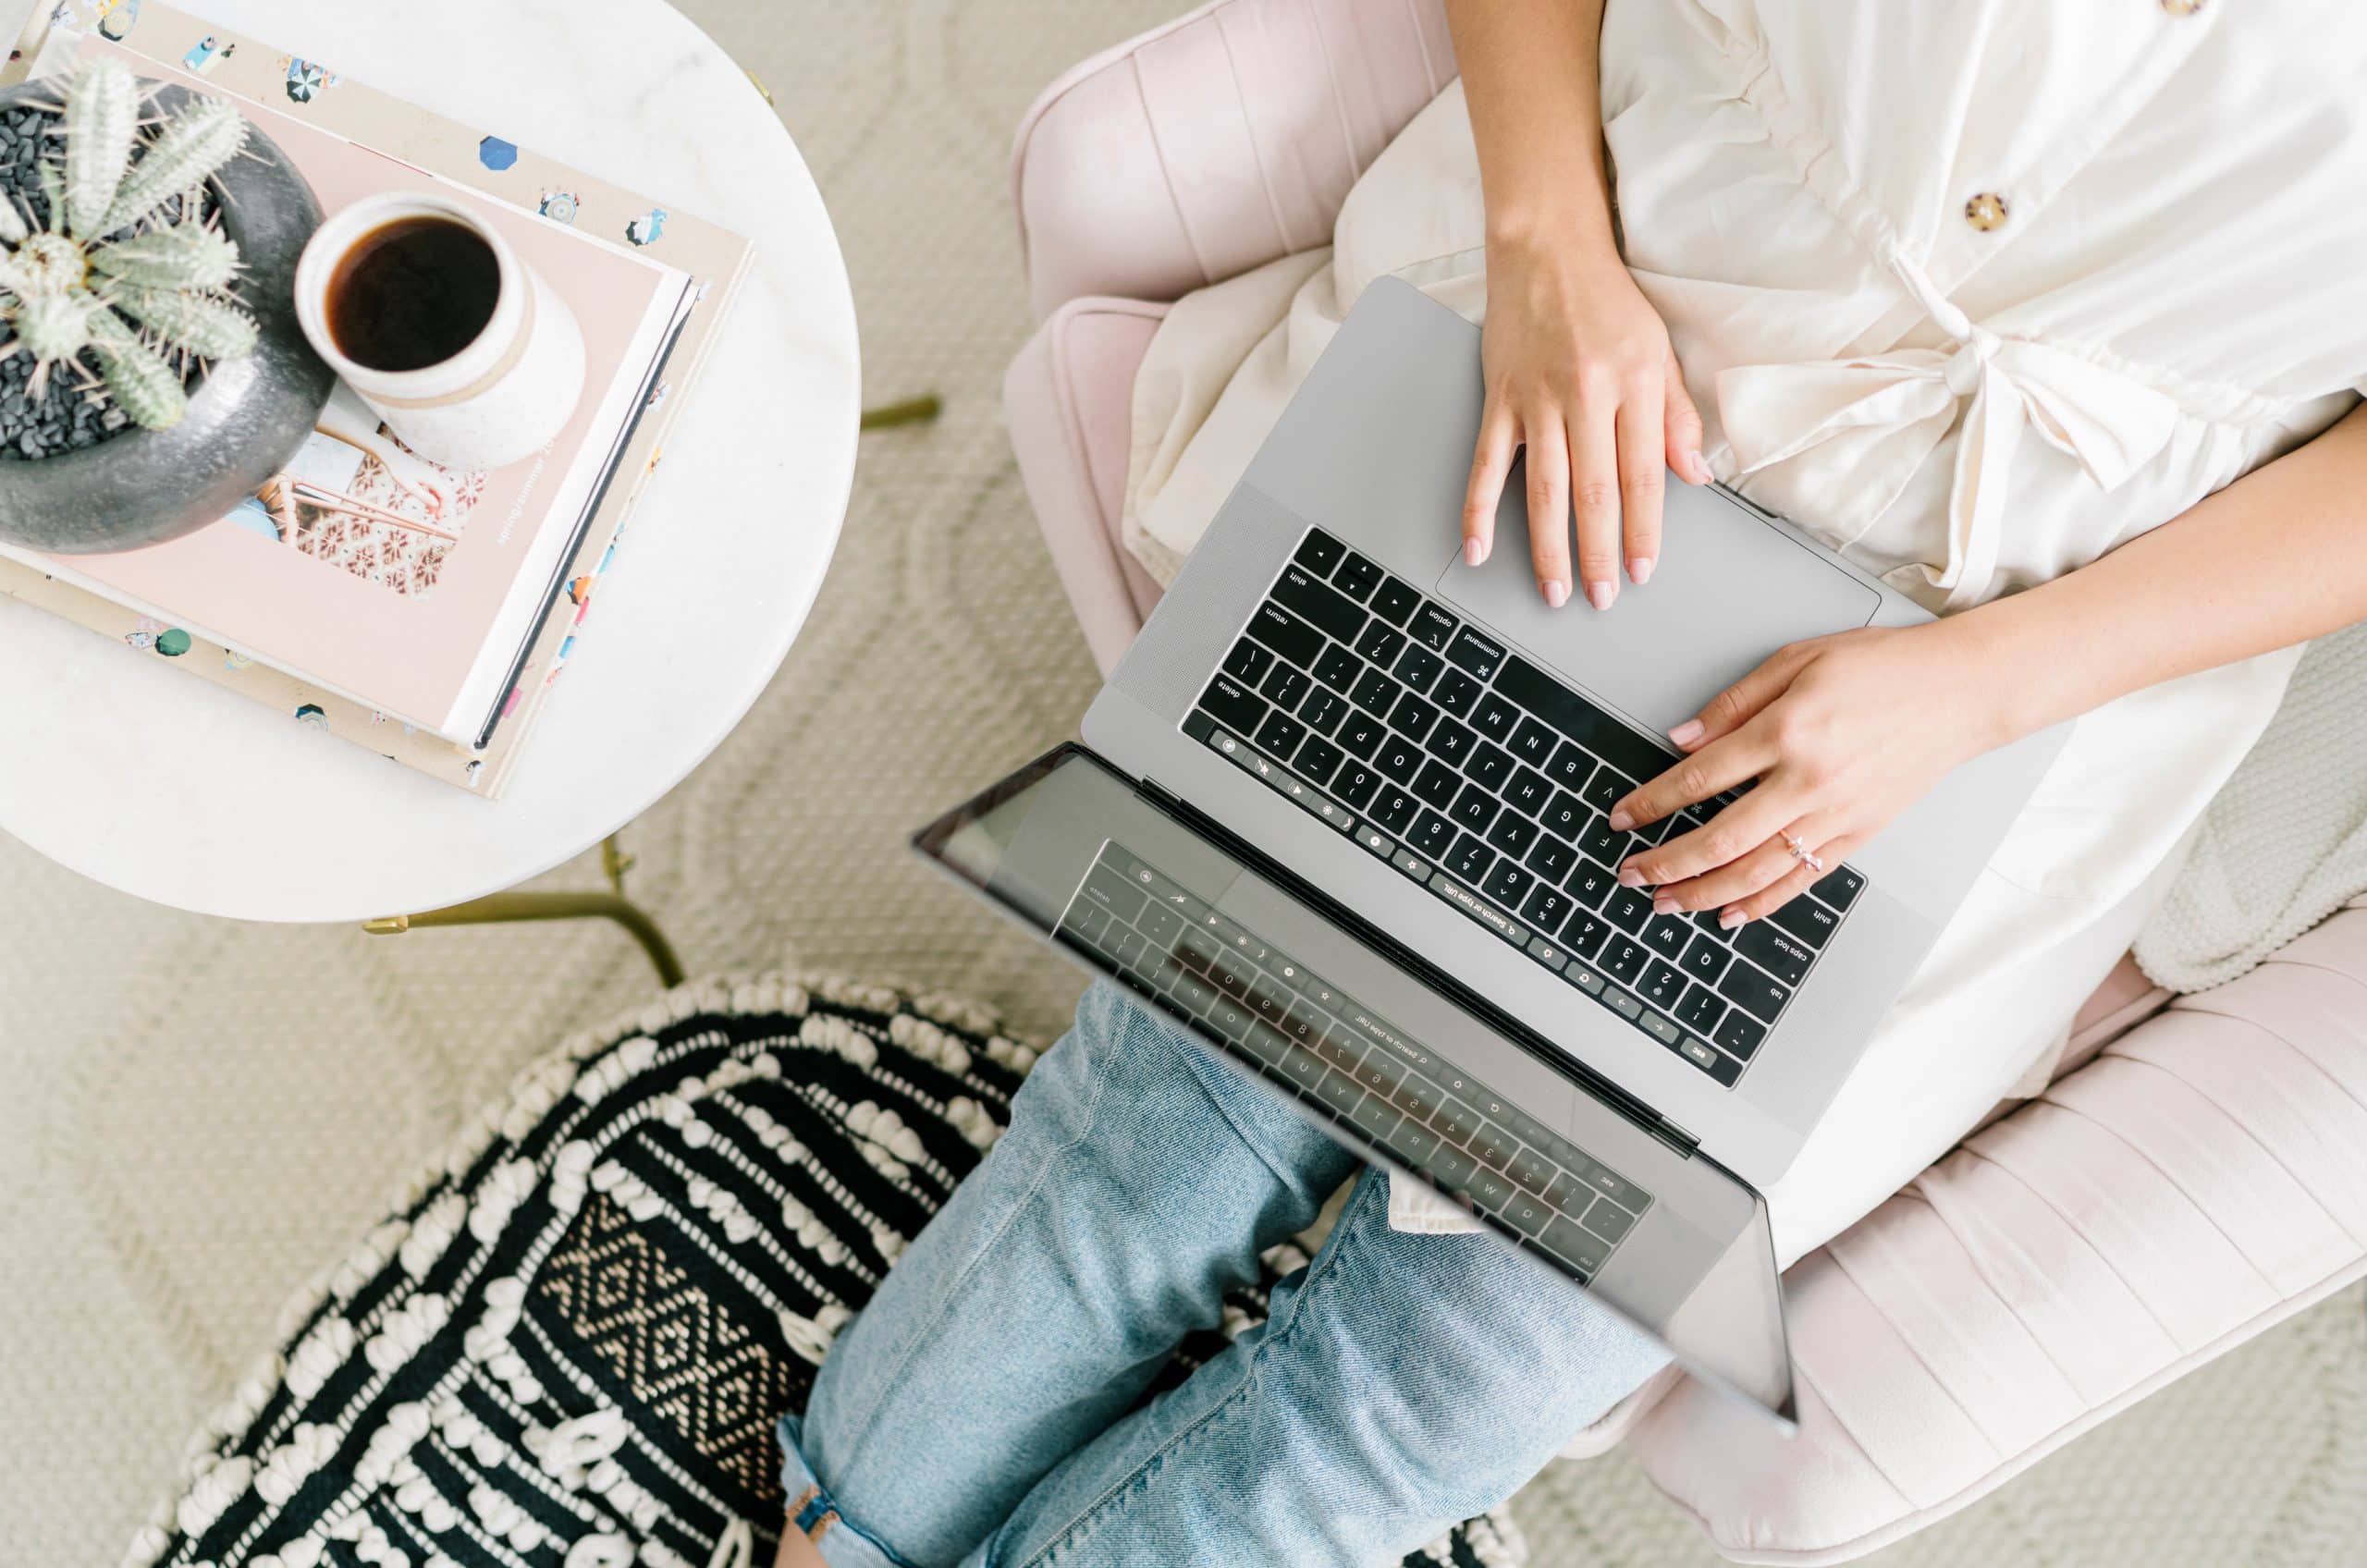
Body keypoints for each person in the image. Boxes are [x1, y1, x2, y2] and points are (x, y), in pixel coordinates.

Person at [777, 1, 2367, 1562]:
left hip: (1986, 705)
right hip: (1573, 412)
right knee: (1155, 1149)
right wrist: (1549, 251)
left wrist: (1991, 684)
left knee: (1442, 1395)